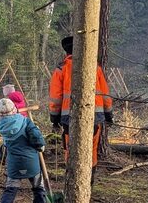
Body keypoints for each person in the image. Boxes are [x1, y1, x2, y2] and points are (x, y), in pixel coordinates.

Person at [48, 35, 113, 169]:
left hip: (69, 117)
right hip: (95, 116)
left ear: (66, 52)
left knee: (71, 148)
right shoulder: (95, 68)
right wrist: (108, 114)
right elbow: (105, 94)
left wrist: (54, 118)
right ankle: (89, 181)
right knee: (92, 148)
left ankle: (72, 176)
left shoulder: (61, 69)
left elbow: (56, 97)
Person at [0, 98, 48, 203]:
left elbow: (5, 144)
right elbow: (37, 139)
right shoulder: (25, 122)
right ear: (14, 109)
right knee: (39, 189)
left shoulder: (1, 126)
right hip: (31, 163)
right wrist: (41, 146)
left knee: (10, 191)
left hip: (14, 164)